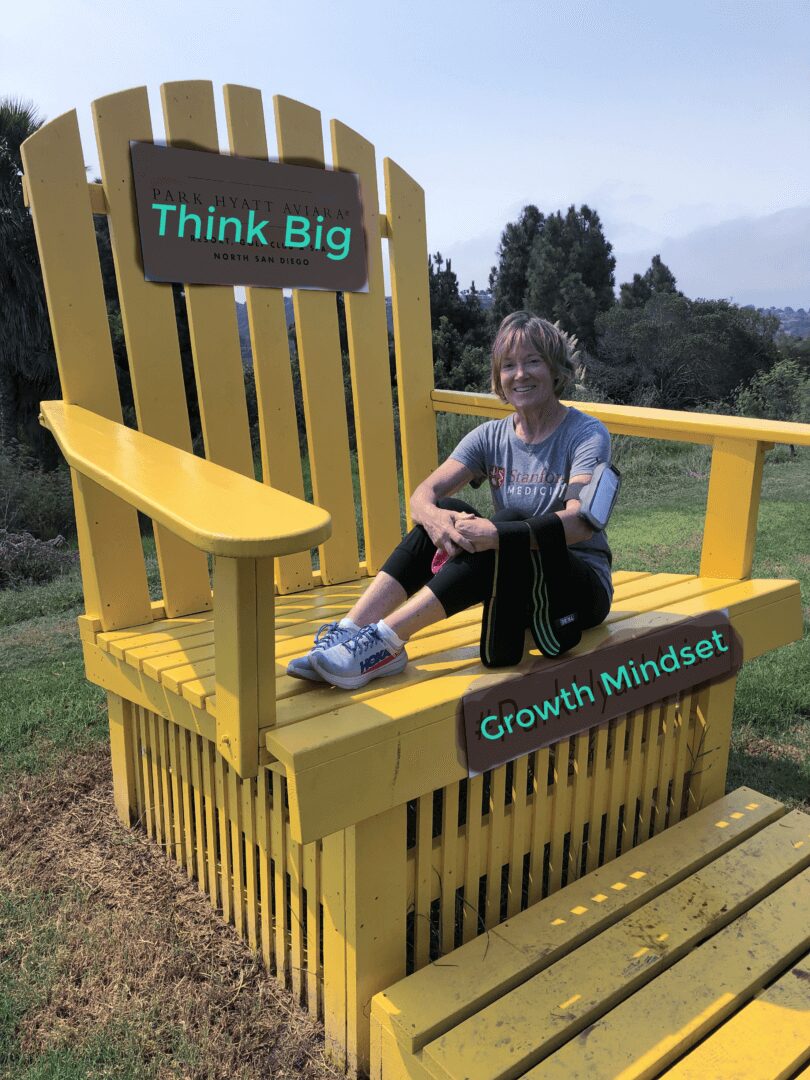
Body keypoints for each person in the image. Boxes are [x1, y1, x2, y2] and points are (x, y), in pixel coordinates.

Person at [288, 310, 613, 690]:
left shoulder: (586, 434)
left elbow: (579, 524)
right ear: (499, 378)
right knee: (448, 514)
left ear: (556, 369)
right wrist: (437, 520)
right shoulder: (490, 435)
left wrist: (496, 534)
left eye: (533, 361)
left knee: (504, 524)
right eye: (509, 365)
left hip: (576, 589)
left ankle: (385, 641)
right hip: (519, 582)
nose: (520, 374)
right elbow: (422, 496)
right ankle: (348, 631)